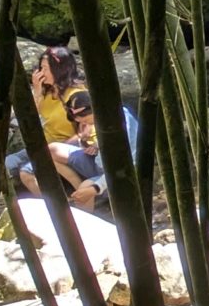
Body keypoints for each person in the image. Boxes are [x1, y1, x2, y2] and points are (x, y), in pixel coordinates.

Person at [8, 47, 82, 196]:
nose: (41, 73)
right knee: (7, 163)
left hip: (66, 147)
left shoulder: (76, 95)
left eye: (46, 69)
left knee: (26, 173)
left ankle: (56, 207)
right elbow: (29, 117)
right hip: (43, 144)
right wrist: (37, 91)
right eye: (40, 68)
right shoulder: (46, 91)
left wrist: (56, 150)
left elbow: (84, 132)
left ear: (60, 70)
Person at [52, 90, 141, 211]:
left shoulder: (121, 124)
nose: (84, 124)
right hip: (99, 162)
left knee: (84, 191)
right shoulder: (104, 115)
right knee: (52, 150)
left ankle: (90, 201)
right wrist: (95, 145)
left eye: (85, 121)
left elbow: (125, 166)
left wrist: (95, 188)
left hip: (117, 176)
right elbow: (107, 141)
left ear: (94, 109)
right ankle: (85, 191)